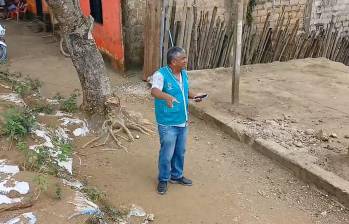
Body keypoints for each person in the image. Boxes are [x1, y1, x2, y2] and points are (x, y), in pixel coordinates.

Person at [151, 46, 206, 195]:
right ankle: (163, 179)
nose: (186, 61)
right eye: (183, 58)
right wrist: (167, 97)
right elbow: (154, 91)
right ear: (174, 61)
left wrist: (194, 96)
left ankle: (177, 176)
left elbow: (185, 91)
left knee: (180, 151)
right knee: (167, 153)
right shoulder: (160, 74)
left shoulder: (183, 73)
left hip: (183, 120)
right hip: (167, 122)